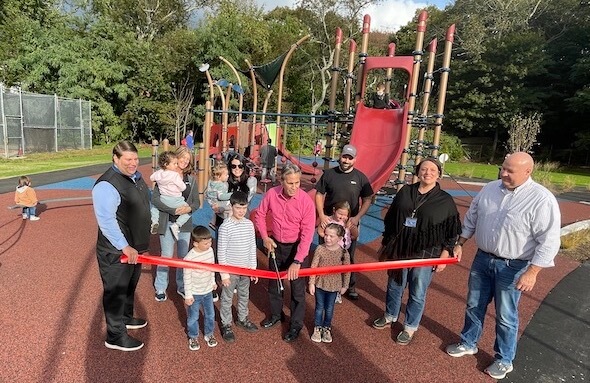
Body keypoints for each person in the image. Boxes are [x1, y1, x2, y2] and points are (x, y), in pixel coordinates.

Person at [445, 152, 561, 380]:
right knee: (473, 305)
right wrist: (460, 243)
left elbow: (549, 239)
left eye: (510, 171)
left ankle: (504, 359)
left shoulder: (541, 199)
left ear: (528, 172)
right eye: (503, 168)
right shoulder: (490, 189)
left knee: (506, 315)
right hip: (482, 259)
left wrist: (533, 271)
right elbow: (473, 217)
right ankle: (469, 342)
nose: (503, 174)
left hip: (513, 266)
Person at [372, 158, 461, 345]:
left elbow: (452, 229)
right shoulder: (405, 191)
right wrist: (387, 242)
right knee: (395, 285)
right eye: (423, 169)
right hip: (401, 248)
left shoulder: (445, 200)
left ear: (438, 173)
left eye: (432, 170)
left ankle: (410, 326)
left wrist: (446, 253)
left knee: (417, 291)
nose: (427, 172)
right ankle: (390, 315)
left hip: (426, 252)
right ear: (418, 172)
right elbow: (391, 218)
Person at [92, 141, 150, 351]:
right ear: (116, 159)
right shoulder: (107, 185)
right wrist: (124, 246)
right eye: (128, 159)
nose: (133, 163)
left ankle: (125, 317)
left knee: (129, 286)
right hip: (116, 251)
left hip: (134, 248)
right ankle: (115, 336)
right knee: (115, 291)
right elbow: (106, 221)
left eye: (135, 159)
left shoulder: (136, 177)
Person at [254, 163, 316, 343]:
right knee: (274, 284)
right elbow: (259, 214)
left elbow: (307, 235)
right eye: (290, 183)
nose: (294, 187)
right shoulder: (272, 194)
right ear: (282, 181)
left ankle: (295, 324)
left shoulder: (305, 201)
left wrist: (297, 261)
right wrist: (265, 237)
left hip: (297, 248)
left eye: (297, 183)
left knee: (297, 290)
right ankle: (276, 315)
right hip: (276, 245)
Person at [315, 144, 374, 300]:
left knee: (347, 255)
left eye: (350, 158)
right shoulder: (329, 174)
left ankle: (349, 285)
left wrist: (357, 217)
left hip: (349, 223)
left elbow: (368, 199)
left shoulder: (360, 177)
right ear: (339, 156)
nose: (346, 160)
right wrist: (321, 215)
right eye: (344, 157)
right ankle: (321, 283)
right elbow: (319, 194)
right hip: (330, 221)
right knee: (325, 254)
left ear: (355, 159)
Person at [152, 145, 200, 302]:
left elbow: (196, 203)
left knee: (183, 257)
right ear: (176, 158)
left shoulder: (191, 180)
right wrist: (173, 211)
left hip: (184, 224)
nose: (185, 161)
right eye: (183, 158)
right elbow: (155, 199)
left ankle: (181, 285)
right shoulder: (163, 176)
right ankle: (160, 287)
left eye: (188, 159)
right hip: (166, 221)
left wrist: (188, 208)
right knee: (166, 255)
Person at [217, 191, 259, 343]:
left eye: (244, 208)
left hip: (245, 270)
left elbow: (251, 248)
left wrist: (253, 269)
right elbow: (221, 252)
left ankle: (242, 318)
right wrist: (224, 274)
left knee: (244, 295)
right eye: (238, 208)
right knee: (227, 298)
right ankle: (226, 324)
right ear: (232, 206)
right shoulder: (225, 227)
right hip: (231, 271)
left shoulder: (249, 225)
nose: (241, 211)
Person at [308, 223, 351, 343]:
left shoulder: (343, 253)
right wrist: (311, 283)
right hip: (320, 284)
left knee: (329, 307)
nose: (327, 238)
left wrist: (345, 285)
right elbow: (313, 266)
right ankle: (317, 327)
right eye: (326, 235)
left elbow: (347, 271)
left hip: (334, 285)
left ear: (340, 238)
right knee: (319, 307)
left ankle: (326, 327)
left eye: (331, 236)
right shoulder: (320, 249)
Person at [183, 225, 218, 351]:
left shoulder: (210, 251)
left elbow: (212, 267)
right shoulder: (189, 259)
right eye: (205, 243)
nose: (209, 245)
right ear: (195, 244)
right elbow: (186, 278)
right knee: (193, 317)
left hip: (207, 290)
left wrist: (213, 281)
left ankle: (209, 334)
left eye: (210, 242)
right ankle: (193, 336)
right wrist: (188, 295)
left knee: (210, 314)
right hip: (195, 292)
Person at [150, 151, 190, 240]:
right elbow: (183, 187)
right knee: (188, 210)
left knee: (154, 208)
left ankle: (154, 221)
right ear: (166, 164)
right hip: (176, 200)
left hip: (163, 198)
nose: (176, 165)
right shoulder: (175, 175)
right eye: (174, 163)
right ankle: (177, 225)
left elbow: (151, 178)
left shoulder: (159, 173)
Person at [205, 162, 232, 230]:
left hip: (211, 202)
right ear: (219, 176)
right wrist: (231, 194)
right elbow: (221, 196)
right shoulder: (221, 185)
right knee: (230, 209)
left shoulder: (211, 182)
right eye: (226, 175)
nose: (228, 176)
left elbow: (208, 192)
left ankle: (212, 222)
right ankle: (228, 223)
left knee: (216, 211)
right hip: (219, 203)